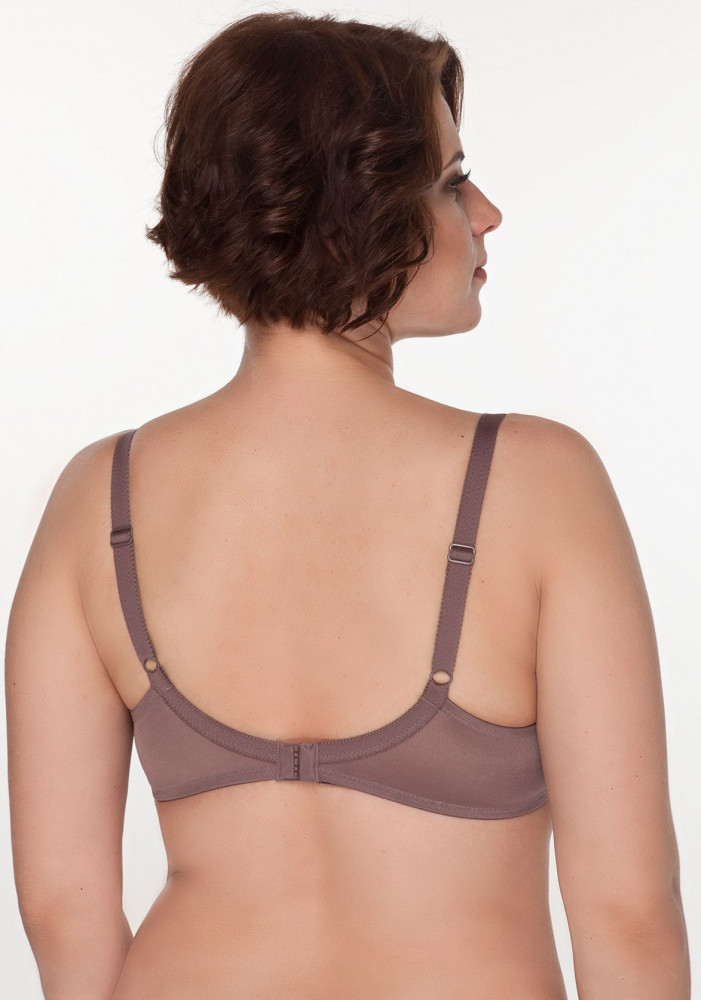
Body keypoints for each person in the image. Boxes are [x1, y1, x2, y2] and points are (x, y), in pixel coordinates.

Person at [5, 11, 690, 1000]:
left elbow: (60, 906)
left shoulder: (96, 497)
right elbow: (626, 909)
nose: (486, 213)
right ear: (354, 206)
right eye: (451, 181)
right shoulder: (537, 481)